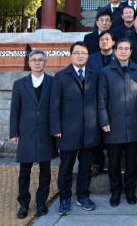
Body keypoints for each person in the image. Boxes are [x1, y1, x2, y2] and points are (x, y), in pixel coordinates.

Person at [50, 42, 100, 216]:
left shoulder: (95, 74)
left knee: (86, 166)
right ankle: (64, 198)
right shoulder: (61, 76)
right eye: (77, 53)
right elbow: (54, 105)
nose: (80, 56)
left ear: (88, 56)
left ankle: (83, 196)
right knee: (66, 167)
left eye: (83, 53)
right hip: (67, 130)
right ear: (71, 55)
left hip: (90, 130)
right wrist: (56, 127)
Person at [98, 38, 137, 207]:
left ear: (131, 52)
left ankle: (130, 191)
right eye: (120, 48)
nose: (123, 51)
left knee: (131, 161)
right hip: (113, 124)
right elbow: (102, 98)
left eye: (127, 49)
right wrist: (104, 120)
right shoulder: (106, 71)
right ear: (115, 50)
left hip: (133, 124)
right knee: (113, 162)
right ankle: (116, 191)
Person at [10, 50, 57, 219]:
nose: (37, 63)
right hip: (26, 133)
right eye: (34, 60)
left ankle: (41, 202)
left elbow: (56, 107)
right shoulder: (19, 84)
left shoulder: (53, 82)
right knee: (24, 172)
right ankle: (23, 203)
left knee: (45, 171)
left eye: (40, 60)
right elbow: (15, 110)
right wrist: (14, 132)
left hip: (46, 133)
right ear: (29, 63)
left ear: (45, 63)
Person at [86, 31, 116, 177]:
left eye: (107, 39)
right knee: (95, 132)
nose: (104, 42)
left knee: (113, 132)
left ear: (113, 42)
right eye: (101, 40)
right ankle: (98, 162)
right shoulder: (91, 58)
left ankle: (113, 162)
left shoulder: (119, 57)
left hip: (115, 100)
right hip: (95, 100)